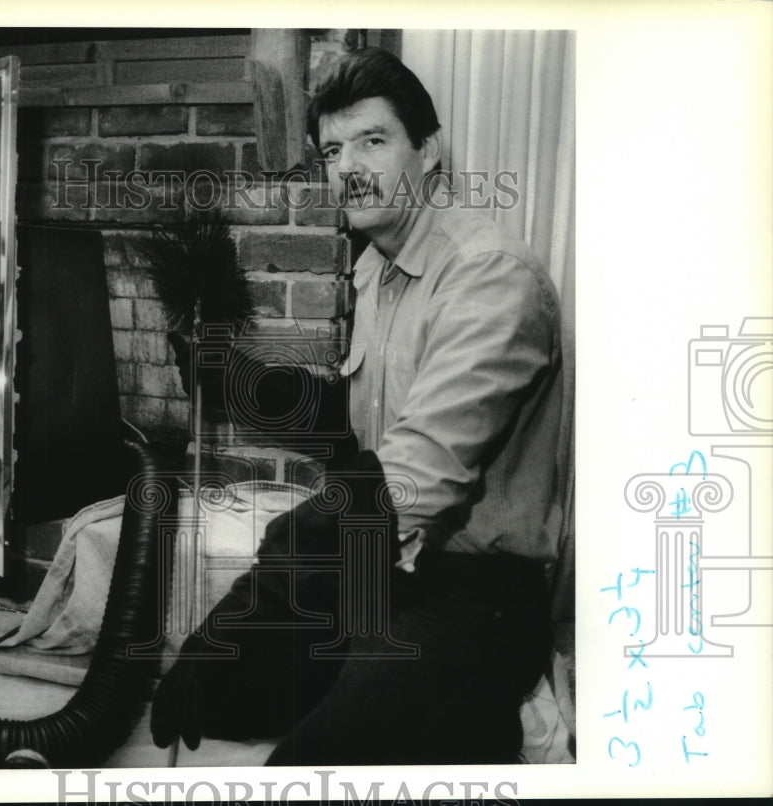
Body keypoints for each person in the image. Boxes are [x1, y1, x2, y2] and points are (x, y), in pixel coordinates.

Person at [152, 46, 564, 765]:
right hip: (383, 571)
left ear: (426, 150)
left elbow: (408, 477)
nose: (349, 167)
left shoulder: (491, 278)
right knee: (222, 696)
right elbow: (358, 423)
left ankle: (470, 724)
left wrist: (245, 605)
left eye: (373, 141)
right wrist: (236, 379)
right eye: (333, 150)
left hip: (473, 604)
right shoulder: (375, 268)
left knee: (300, 767)